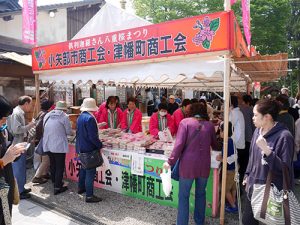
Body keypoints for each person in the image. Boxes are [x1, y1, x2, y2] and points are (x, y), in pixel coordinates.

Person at [242, 99, 295, 225]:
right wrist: (247, 175)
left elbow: (285, 170)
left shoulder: (284, 136)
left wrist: (267, 151)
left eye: (255, 115)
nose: (253, 118)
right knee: (248, 221)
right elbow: (252, 157)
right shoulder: (257, 131)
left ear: (267, 117)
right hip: (254, 188)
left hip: (273, 192)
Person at [163, 103, 217, 225]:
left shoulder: (185, 122)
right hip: (204, 165)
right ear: (204, 112)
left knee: (183, 196)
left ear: (191, 111)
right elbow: (215, 145)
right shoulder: (209, 126)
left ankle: (182, 223)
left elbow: (178, 146)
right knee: (201, 194)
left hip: (188, 166)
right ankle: (199, 221)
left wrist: (170, 161)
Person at [0, 95, 26, 224]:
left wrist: (14, 153)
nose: (4, 123)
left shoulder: (2, 132)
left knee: (7, 218)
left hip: (5, 187)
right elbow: (3, 160)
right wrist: (4, 160)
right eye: (3, 119)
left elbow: (6, 156)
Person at [7, 96, 35, 199]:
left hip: (20, 143)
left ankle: (21, 188)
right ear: (26, 103)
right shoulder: (17, 113)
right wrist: (30, 125)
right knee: (18, 168)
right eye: (30, 104)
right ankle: (19, 192)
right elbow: (16, 130)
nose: (31, 107)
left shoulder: (19, 112)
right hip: (17, 144)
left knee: (21, 167)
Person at [76, 98, 103, 203]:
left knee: (83, 168)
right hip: (89, 149)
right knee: (90, 172)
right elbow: (92, 137)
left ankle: (81, 188)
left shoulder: (81, 116)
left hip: (81, 147)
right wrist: (99, 144)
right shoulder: (90, 119)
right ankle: (89, 196)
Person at [43, 101, 72, 195]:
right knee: (60, 166)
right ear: (64, 109)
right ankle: (57, 187)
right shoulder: (64, 116)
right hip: (59, 145)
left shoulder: (47, 115)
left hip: (48, 143)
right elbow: (68, 132)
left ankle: (55, 182)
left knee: (53, 164)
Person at [216, 122, 238, 213]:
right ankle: (233, 202)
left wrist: (221, 159)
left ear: (224, 131)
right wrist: (221, 155)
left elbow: (231, 158)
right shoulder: (231, 140)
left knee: (224, 189)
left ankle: (233, 206)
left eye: (220, 130)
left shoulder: (227, 142)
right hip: (235, 169)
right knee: (233, 187)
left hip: (230, 170)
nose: (219, 132)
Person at [31, 99, 54, 184]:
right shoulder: (45, 114)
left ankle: (44, 174)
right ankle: (37, 177)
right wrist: (40, 137)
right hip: (43, 140)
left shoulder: (41, 112)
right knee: (46, 160)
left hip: (41, 139)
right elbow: (38, 126)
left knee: (44, 159)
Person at [229, 95, 245, 191]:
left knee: (235, 170)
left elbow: (228, 126)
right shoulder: (237, 112)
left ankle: (236, 191)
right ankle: (236, 190)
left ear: (230, 104)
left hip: (236, 144)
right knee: (236, 169)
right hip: (239, 143)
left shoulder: (234, 113)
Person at [239, 94, 255, 189]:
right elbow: (253, 125)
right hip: (248, 137)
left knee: (240, 159)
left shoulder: (239, 109)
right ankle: (244, 178)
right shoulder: (251, 110)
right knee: (246, 160)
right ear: (249, 102)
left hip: (239, 138)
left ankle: (240, 177)